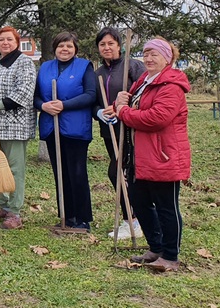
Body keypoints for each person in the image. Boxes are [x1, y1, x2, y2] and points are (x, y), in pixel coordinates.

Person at [114, 37, 190, 272]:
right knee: (140, 201)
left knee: (167, 206)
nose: (148, 58)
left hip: (162, 155)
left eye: (154, 54)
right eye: (145, 53)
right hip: (139, 155)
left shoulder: (171, 86)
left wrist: (124, 112)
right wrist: (119, 103)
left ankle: (171, 255)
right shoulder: (143, 82)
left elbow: (157, 118)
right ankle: (155, 247)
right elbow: (129, 109)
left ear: (167, 58)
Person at [34, 31, 96, 230]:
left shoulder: (84, 67)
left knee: (77, 172)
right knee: (60, 173)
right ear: (55, 48)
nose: (65, 49)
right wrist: (44, 106)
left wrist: (64, 105)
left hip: (75, 129)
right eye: (61, 46)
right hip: (52, 127)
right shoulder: (45, 68)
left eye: (69, 46)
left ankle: (82, 218)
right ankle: (66, 216)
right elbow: (35, 96)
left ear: (75, 49)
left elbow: (90, 95)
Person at [0, 26, 36, 230]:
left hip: (14, 123)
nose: (5, 43)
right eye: (1, 39)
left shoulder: (24, 62)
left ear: (17, 42)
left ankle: (15, 211)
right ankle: (3, 203)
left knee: (14, 169)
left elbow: (25, 91)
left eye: (10, 39)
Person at [93, 27, 145, 239]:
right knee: (120, 172)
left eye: (111, 43)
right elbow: (93, 100)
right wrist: (99, 113)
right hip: (109, 130)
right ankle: (135, 218)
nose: (107, 48)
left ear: (119, 46)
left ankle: (134, 220)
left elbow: (145, 95)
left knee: (119, 172)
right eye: (102, 44)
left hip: (131, 130)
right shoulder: (97, 73)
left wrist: (123, 109)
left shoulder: (132, 66)